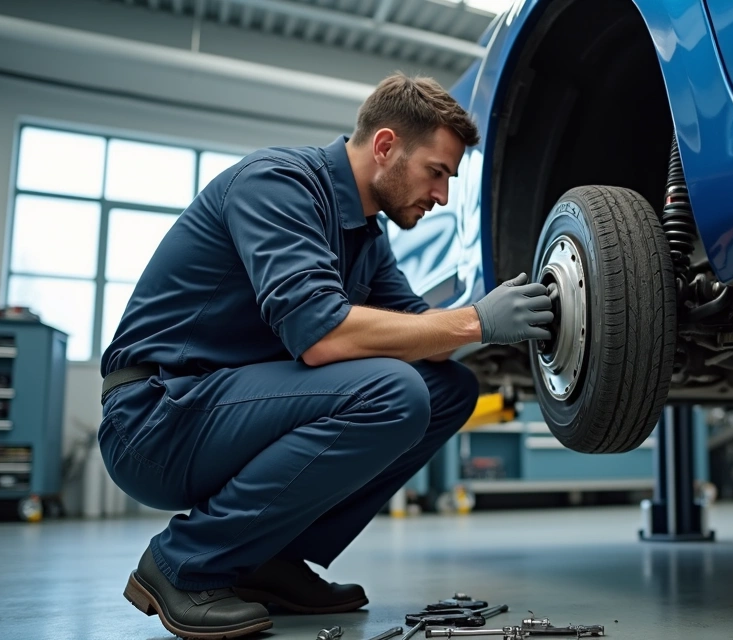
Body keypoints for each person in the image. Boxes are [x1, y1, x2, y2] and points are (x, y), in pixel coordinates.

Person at [98, 72, 554, 639]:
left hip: (225, 408)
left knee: (449, 391)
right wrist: (478, 319)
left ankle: (271, 559)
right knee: (393, 391)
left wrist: (508, 330)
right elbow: (323, 337)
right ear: (386, 146)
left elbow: (417, 331)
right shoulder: (277, 184)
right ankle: (183, 563)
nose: (442, 195)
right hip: (155, 419)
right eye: (436, 172)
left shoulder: (365, 236)